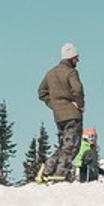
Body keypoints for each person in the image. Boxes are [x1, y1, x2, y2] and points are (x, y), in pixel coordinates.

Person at [37, 42, 85, 182]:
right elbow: (78, 90)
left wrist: (53, 105)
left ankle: (48, 168)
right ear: (70, 58)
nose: (78, 60)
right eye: (76, 57)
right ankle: (60, 174)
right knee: (71, 146)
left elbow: (41, 92)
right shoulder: (71, 72)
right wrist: (80, 105)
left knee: (64, 145)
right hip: (72, 114)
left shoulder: (51, 72)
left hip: (58, 116)